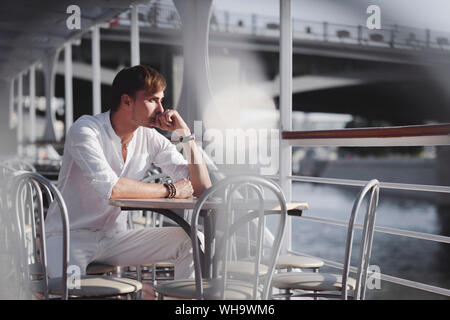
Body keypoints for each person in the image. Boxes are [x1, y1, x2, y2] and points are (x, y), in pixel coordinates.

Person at [45, 65, 211, 281]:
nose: (161, 109)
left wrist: (186, 135)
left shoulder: (149, 137)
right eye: (153, 100)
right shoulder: (85, 130)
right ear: (126, 101)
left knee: (192, 240)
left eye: (162, 100)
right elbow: (112, 189)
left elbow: (203, 189)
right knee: (72, 291)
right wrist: (170, 190)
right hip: (68, 236)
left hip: (114, 238)